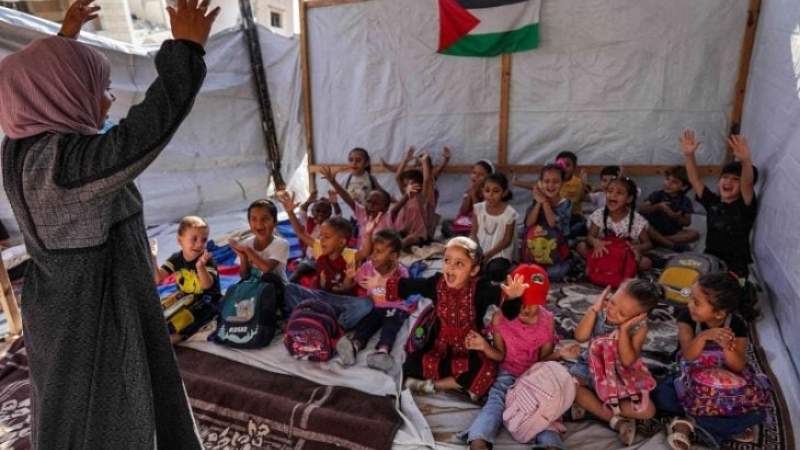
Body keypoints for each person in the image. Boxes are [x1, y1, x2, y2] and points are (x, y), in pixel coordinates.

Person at [0, 0, 219, 445]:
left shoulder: (22, 145)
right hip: (96, 319)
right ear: (61, 97)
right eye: (96, 89)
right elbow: (141, 134)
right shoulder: (65, 168)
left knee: (78, 412)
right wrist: (185, 51)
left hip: (63, 309)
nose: (108, 98)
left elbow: (37, 83)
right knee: (111, 416)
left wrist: (65, 40)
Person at [392, 237, 524, 400]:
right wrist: (380, 286)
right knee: (410, 365)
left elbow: (510, 313)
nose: (450, 268)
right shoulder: (436, 283)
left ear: (474, 271)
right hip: (438, 345)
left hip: (469, 347)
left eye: (459, 264)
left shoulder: (481, 289)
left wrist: (513, 298)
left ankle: (432, 386)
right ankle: (456, 384)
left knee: (485, 370)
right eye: (447, 260)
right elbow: (409, 285)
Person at [652, 273, 767, 450]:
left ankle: (687, 422)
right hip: (686, 378)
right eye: (690, 297)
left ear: (720, 313)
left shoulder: (736, 325)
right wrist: (703, 337)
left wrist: (727, 346)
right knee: (661, 395)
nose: (690, 304)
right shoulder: (687, 317)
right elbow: (688, 355)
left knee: (756, 412)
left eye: (696, 302)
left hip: (719, 388)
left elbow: (737, 366)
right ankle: (710, 426)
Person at [460, 264, 563, 450]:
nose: (525, 308)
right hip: (507, 373)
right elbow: (500, 356)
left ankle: (550, 444)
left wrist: (561, 354)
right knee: (496, 402)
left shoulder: (547, 321)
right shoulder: (500, 318)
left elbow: (545, 358)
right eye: (520, 302)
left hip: (535, 375)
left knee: (545, 409)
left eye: (531, 302)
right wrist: (483, 346)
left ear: (542, 301)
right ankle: (478, 440)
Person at [564, 279, 662, 445]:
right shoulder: (600, 313)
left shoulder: (639, 329)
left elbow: (627, 361)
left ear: (638, 317)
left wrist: (623, 330)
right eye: (613, 302)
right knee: (569, 385)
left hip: (618, 376)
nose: (613, 311)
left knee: (648, 411)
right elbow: (580, 336)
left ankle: (591, 408)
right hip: (589, 367)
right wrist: (594, 310)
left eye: (622, 313)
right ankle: (614, 420)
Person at [276, 190, 375, 329]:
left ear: (341, 242)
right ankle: (312, 318)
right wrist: (290, 212)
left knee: (366, 304)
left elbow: (365, 252)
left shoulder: (350, 255)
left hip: (341, 301)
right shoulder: (319, 249)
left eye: (326, 237)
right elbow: (300, 233)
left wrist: (369, 234)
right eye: (321, 236)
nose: (321, 240)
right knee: (288, 288)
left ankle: (335, 326)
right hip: (319, 297)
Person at [680, 129, 758, 278]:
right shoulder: (712, 202)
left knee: (731, 296)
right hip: (711, 260)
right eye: (725, 177)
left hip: (736, 266)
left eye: (735, 179)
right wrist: (689, 156)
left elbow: (747, 183)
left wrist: (746, 161)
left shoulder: (745, 205)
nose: (728, 182)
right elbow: (695, 180)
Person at [336, 229, 412, 372]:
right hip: (376, 307)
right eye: (372, 251)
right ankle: (355, 346)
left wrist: (382, 281)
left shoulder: (400, 271)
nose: (373, 256)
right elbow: (355, 282)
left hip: (395, 307)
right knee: (366, 324)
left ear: (393, 256)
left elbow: (403, 291)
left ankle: (383, 352)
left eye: (379, 251)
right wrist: (350, 276)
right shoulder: (367, 267)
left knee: (390, 328)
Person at [155, 216, 221, 343]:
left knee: (188, 317)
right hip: (185, 297)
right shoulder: (176, 258)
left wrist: (200, 266)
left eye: (204, 239)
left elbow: (206, 286)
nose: (200, 244)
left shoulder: (206, 261)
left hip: (208, 299)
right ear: (180, 241)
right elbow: (158, 279)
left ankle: (178, 337)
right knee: (162, 309)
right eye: (194, 239)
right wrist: (152, 257)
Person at [577, 176, 653, 272]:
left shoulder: (636, 220)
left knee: (646, 263)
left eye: (619, 193)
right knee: (581, 246)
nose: (613, 195)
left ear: (629, 199)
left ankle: (610, 268)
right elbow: (590, 237)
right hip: (604, 253)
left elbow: (648, 244)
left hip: (623, 257)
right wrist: (596, 242)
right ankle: (605, 267)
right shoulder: (599, 214)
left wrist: (637, 248)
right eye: (610, 191)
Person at [321, 165, 396, 247]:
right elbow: (347, 198)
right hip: (361, 255)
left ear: (385, 208)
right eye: (368, 201)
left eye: (376, 203)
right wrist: (333, 182)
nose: (370, 205)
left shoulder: (388, 218)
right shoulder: (362, 213)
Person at [522, 164, 572, 281]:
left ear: (562, 184)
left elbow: (552, 223)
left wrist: (544, 202)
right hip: (535, 250)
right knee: (527, 271)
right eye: (546, 181)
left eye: (555, 182)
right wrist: (538, 202)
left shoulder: (565, 204)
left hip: (555, 251)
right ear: (540, 183)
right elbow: (529, 223)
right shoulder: (537, 201)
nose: (550, 185)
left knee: (554, 273)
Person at [471, 172, 518, 282]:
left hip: (499, 252)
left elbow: (506, 240)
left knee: (496, 271)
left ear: (504, 192)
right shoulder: (478, 208)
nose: (490, 195)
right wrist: (477, 252)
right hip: (480, 250)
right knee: (466, 265)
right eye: (487, 190)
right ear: (482, 191)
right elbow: (473, 233)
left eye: (495, 191)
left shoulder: (509, 213)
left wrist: (489, 254)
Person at [639, 165, 699, 250]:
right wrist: (658, 207)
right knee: (643, 226)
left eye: (674, 182)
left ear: (684, 187)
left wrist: (675, 217)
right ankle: (670, 245)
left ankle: (658, 241)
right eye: (667, 179)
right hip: (653, 230)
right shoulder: (657, 194)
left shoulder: (685, 201)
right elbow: (642, 208)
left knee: (694, 234)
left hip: (671, 233)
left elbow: (687, 222)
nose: (669, 184)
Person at [229, 199, 289, 282]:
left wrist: (247, 250)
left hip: (277, 290)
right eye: (254, 219)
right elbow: (244, 275)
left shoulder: (281, 244)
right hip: (255, 289)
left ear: (275, 222)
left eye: (265, 219)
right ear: (249, 223)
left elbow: (266, 268)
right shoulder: (247, 243)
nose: (259, 224)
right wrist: (243, 256)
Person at [441, 159, 494, 238]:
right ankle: (461, 237)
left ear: (488, 177)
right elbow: (463, 210)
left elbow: (479, 213)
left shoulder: (489, 193)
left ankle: (462, 238)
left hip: (481, 224)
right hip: (468, 223)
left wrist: (473, 194)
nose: (476, 176)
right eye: (474, 173)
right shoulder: (470, 190)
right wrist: (470, 193)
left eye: (481, 175)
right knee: (445, 223)